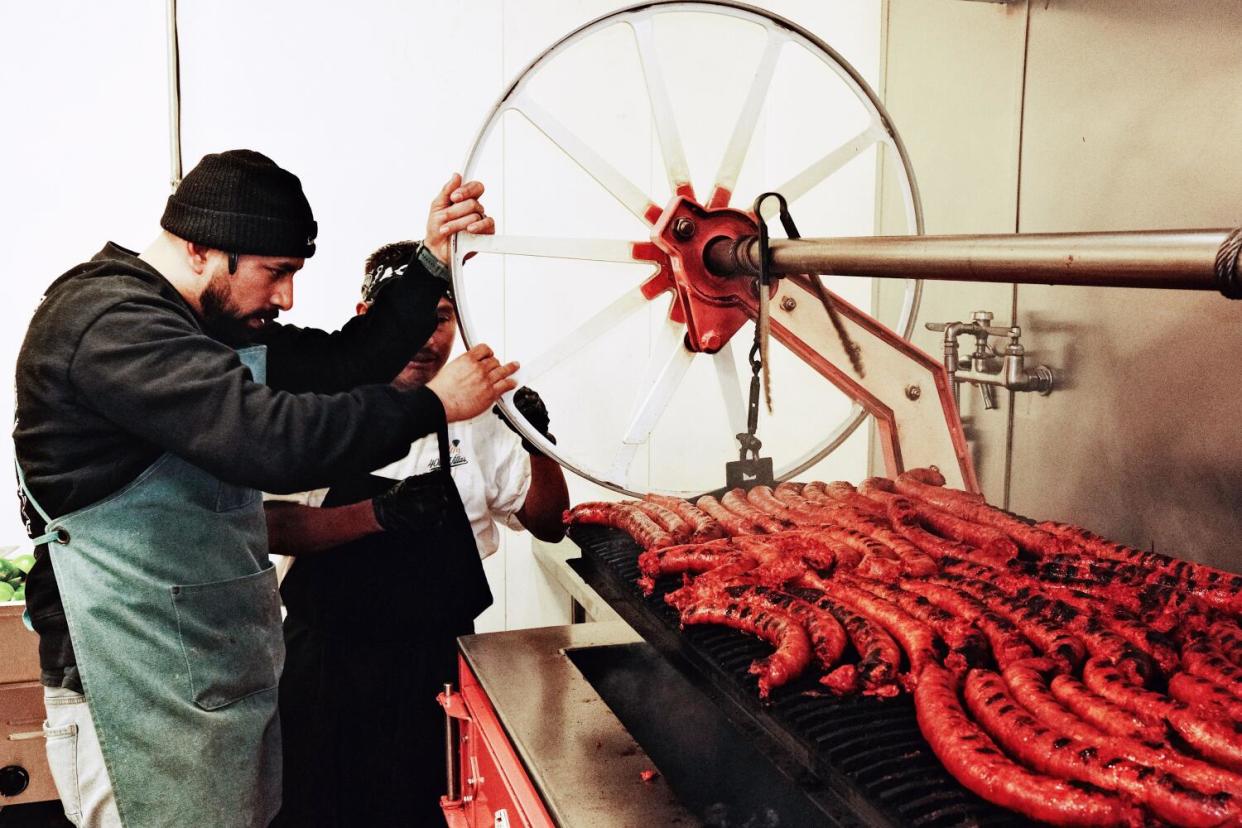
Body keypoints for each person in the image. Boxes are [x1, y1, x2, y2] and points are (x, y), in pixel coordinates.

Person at [12, 149, 517, 828]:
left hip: (206, 676)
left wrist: (429, 261)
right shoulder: (112, 324)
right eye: (275, 274)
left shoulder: (202, 327)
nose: (286, 299)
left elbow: (345, 360)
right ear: (200, 250)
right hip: (129, 686)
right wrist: (434, 406)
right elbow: (269, 441)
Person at [266, 240, 569, 827]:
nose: (428, 341)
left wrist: (540, 445)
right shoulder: (318, 407)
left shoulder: (482, 413)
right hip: (328, 672)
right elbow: (271, 524)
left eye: (441, 319)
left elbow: (550, 525)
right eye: (410, 319)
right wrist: (378, 514)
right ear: (368, 320)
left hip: (441, 670)